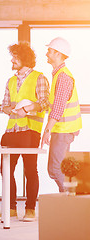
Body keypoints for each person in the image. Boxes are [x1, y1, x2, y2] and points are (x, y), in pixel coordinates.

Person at [0, 42, 50, 222]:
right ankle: (10, 209)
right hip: (12, 129)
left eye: (15, 57)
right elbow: (4, 105)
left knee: (30, 170)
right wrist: (11, 108)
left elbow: (44, 103)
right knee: (6, 169)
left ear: (24, 58)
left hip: (30, 130)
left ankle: (30, 209)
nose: (12, 60)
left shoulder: (39, 77)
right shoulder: (10, 80)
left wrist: (26, 108)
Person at [41, 37, 82, 192]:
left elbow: (58, 108)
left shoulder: (63, 77)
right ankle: (68, 200)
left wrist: (47, 131)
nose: (47, 53)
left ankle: (70, 198)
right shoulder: (58, 74)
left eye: (49, 51)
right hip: (62, 129)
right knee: (61, 168)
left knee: (55, 169)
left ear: (58, 54)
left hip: (64, 130)